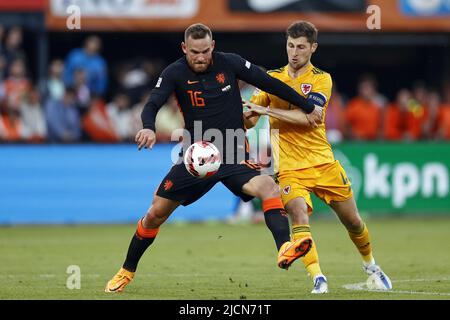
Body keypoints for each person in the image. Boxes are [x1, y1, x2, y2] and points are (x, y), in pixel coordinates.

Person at [105, 23, 324, 293]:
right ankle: (126, 270)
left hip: (233, 152)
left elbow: (269, 83)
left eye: (205, 51)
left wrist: (308, 106)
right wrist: (148, 126)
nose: (200, 57)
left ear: (213, 46)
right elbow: (153, 102)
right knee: (154, 215)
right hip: (196, 158)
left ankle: (284, 249)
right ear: (185, 48)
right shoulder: (174, 72)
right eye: (195, 52)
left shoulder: (229, 63)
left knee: (269, 187)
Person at [243, 21, 392, 294]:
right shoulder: (272, 79)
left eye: (301, 47)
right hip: (289, 167)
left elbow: (311, 118)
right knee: (298, 214)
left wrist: (266, 112)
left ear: (313, 48)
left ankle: (371, 265)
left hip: (323, 162)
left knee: (354, 222)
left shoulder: (322, 79)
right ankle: (318, 278)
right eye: (290, 46)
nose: (294, 52)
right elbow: (250, 121)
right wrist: (245, 114)